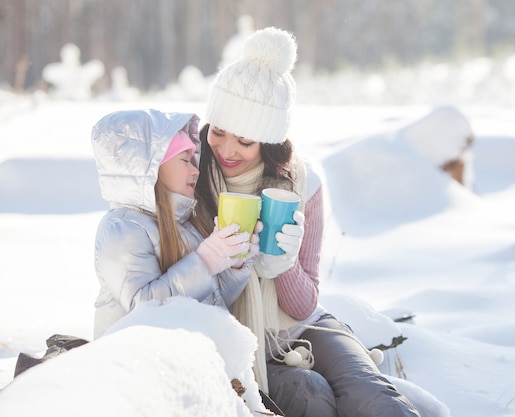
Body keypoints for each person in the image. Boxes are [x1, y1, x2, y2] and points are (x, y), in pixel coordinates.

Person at [195, 27, 422, 417]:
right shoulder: (190, 175)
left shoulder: (302, 184)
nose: (227, 150)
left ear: (267, 140)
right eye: (218, 132)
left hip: (303, 327)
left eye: (245, 141)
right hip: (236, 342)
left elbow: (303, 307)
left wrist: (283, 265)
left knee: (374, 397)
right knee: (309, 394)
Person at [90, 109, 259, 339]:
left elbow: (212, 301)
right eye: (184, 160)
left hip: (187, 359)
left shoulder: (183, 224)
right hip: (139, 365)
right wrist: (204, 262)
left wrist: (232, 261)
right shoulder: (121, 229)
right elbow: (144, 310)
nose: (195, 169)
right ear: (150, 169)